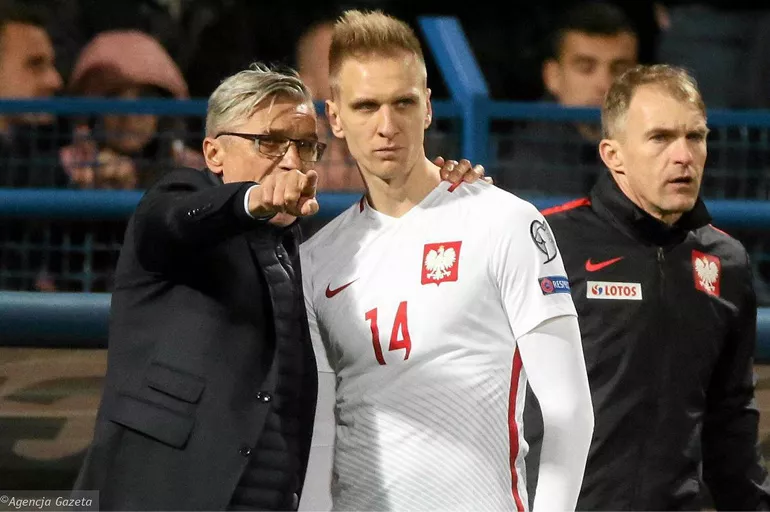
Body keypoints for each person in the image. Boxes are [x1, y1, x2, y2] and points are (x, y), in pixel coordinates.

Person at [72, 61, 485, 511]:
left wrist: (444, 202)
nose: (291, 160)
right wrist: (252, 200)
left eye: (306, 146)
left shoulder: (305, 251)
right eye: (269, 142)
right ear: (214, 153)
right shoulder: (176, 206)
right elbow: (176, 219)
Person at [299, 10, 594, 512]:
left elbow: (570, 414)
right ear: (335, 117)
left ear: (429, 107)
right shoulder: (316, 260)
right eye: (366, 106)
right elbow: (322, 432)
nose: (386, 126)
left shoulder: (505, 222)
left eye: (403, 103)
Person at [526, 63, 770, 510]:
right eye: (660, 138)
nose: (683, 156)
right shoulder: (547, 243)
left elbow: (730, 420)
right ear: (613, 154)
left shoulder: (726, 263)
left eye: (695, 137)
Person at [496, 1, 638, 198]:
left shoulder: (653, 151)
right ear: (552, 76)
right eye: (585, 67)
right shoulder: (525, 161)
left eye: (619, 69)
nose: (604, 84)